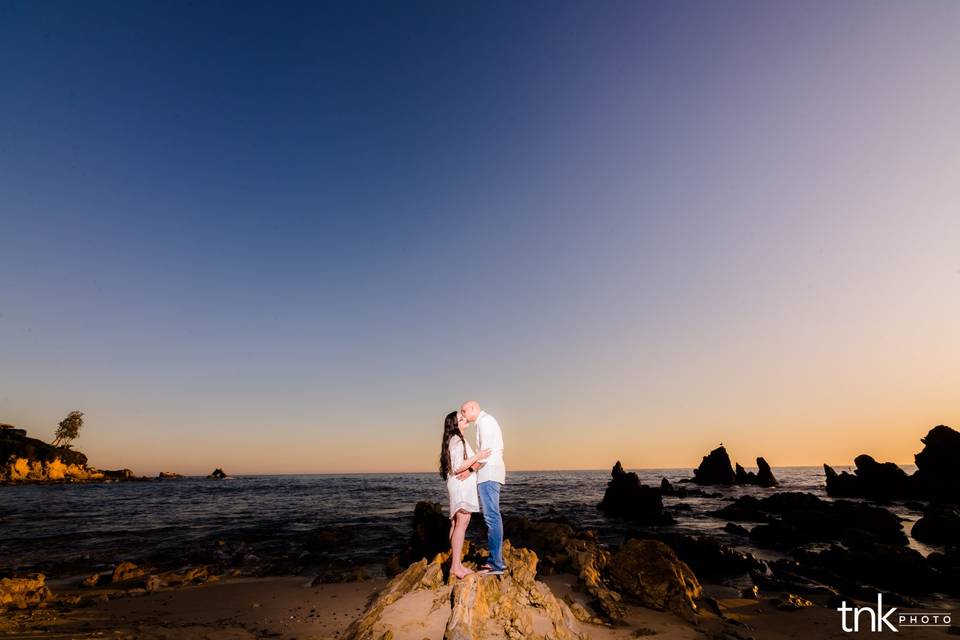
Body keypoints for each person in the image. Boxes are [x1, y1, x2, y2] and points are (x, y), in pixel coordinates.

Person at [439, 410, 491, 579]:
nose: (465, 419)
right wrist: (479, 455)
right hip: (461, 487)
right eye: (461, 419)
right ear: (455, 425)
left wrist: (473, 464)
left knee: (456, 524)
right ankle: (455, 566)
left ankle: (456, 563)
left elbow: (463, 465)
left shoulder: (456, 440)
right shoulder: (456, 440)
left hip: (459, 485)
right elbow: (458, 466)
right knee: (462, 522)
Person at [459, 400, 506, 575]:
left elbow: (485, 455)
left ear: (472, 408)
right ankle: (497, 561)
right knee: (493, 516)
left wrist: (469, 470)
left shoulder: (485, 422)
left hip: (489, 474)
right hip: (491, 473)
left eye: (464, 411)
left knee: (491, 517)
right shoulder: (485, 422)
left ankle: (496, 564)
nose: (462, 414)